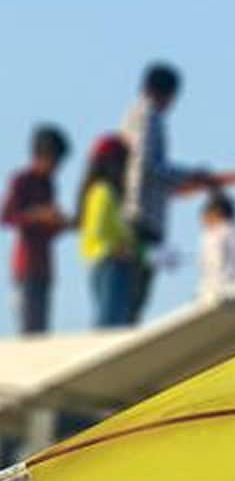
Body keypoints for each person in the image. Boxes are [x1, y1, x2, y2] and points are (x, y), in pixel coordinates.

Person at [121, 62, 235, 323]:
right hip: (142, 216)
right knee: (136, 291)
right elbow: (147, 166)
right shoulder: (147, 116)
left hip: (142, 213)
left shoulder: (136, 115)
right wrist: (191, 176)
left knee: (136, 292)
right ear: (164, 93)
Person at [1, 125, 71, 335]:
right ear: (42, 155)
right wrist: (38, 214)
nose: (57, 167)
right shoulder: (22, 180)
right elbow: (7, 216)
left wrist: (59, 224)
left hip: (45, 267)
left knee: (42, 331)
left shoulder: (48, 184)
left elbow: (48, 231)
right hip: (26, 265)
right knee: (29, 331)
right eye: (55, 161)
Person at [77, 134, 138, 327]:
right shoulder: (102, 192)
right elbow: (97, 232)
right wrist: (117, 249)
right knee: (109, 323)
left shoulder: (102, 192)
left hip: (110, 263)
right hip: (108, 264)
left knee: (115, 320)